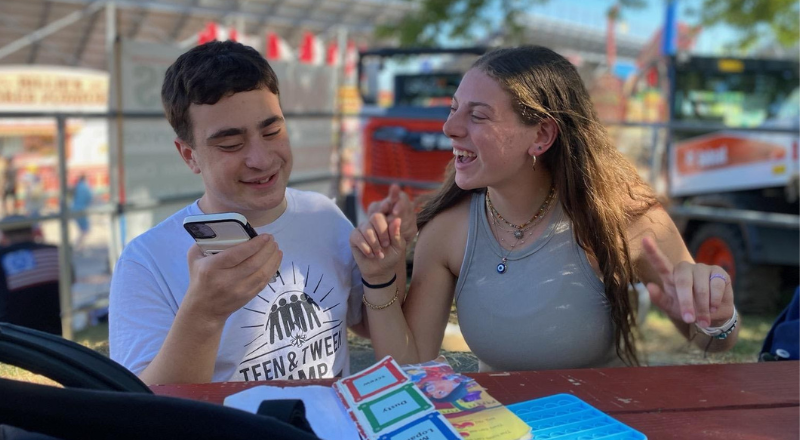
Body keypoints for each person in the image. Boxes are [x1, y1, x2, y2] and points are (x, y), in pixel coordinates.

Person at [351, 46, 739, 371]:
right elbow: (410, 366)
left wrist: (716, 318)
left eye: (477, 115)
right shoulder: (446, 233)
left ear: (541, 135)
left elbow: (713, 344)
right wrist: (381, 278)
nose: (449, 127)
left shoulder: (626, 219)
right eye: (454, 109)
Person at [109, 41, 414, 385]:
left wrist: (383, 270)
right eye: (231, 144)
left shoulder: (323, 214)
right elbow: (143, 409)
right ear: (189, 155)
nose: (262, 158)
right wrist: (204, 315)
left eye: (272, 131)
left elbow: (368, 323)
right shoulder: (146, 261)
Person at [0, 215, 61, 336]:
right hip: (57, 331)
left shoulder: (3, 257)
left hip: (17, 337)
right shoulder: (55, 251)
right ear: (32, 230)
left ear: (4, 234)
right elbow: (71, 281)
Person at [70, 175, 93, 251]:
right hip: (81, 210)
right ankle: (78, 246)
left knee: (82, 230)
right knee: (85, 230)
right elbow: (89, 198)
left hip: (74, 209)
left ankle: (79, 246)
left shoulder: (77, 186)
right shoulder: (85, 187)